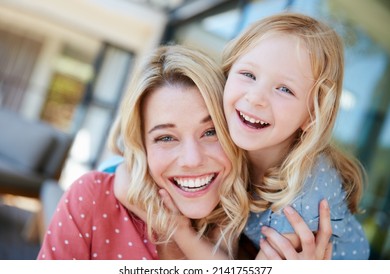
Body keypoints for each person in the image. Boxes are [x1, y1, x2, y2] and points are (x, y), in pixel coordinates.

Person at [37, 44, 250, 259]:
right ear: (141, 145)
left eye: (211, 132)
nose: (192, 159)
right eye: (166, 138)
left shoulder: (265, 237)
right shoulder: (93, 198)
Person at [219, 12, 369, 259]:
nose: (255, 97)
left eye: (285, 89)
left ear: (312, 115)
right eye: (248, 74)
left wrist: (178, 228)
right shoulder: (221, 143)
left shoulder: (304, 192)